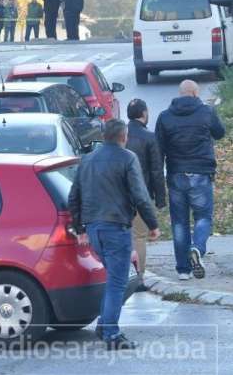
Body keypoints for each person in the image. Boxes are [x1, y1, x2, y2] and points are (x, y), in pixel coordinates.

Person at [68, 119, 160, 350]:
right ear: (123, 136)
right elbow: (140, 195)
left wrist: (80, 228)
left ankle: (104, 325)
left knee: (113, 280)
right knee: (118, 282)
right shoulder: (127, 158)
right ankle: (111, 333)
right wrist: (152, 224)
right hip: (116, 227)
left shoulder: (87, 160)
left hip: (93, 229)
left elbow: (73, 197)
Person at [155, 80, 226, 280]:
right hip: (201, 174)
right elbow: (220, 133)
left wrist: (158, 180)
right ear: (195, 93)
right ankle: (197, 247)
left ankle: (183, 270)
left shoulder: (165, 117)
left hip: (176, 174)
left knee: (179, 222)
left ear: (180, 94)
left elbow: (158, 150)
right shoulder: (206, 112)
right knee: (203, 217)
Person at [125, 99, 167, 290]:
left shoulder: (118, 134)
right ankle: (138, 278)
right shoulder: (149, 138)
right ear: (144, 113)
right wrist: (160, 199)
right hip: (140, 194)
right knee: (139, 237)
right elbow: (157, 170)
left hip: (117, 195)